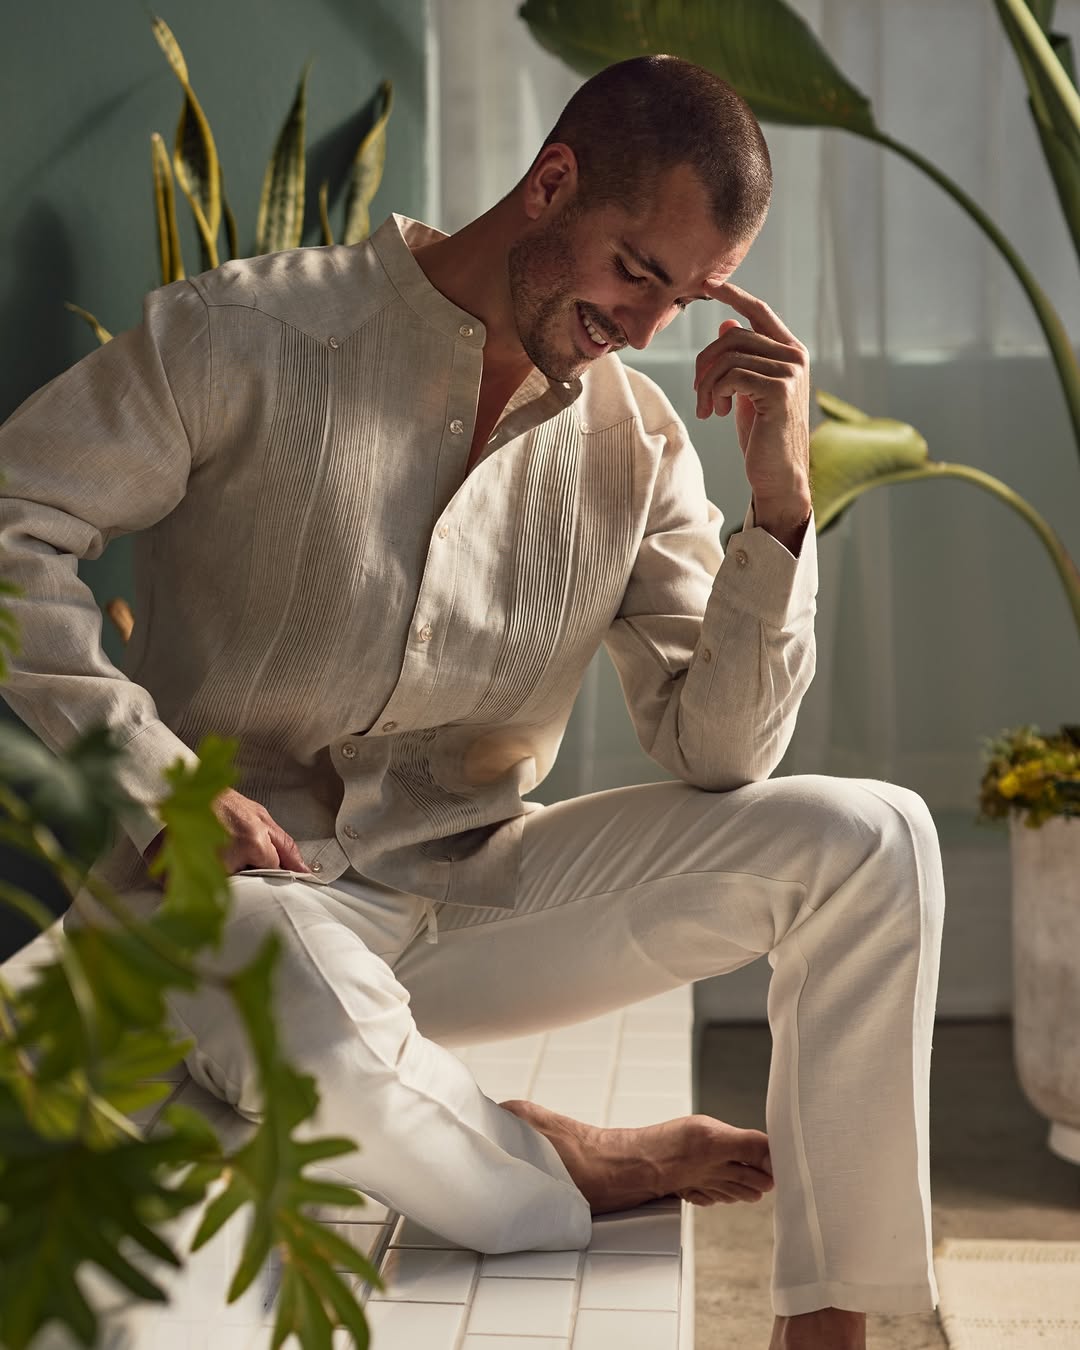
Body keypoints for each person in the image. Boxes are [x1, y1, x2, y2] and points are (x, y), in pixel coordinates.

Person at [0, 53, 944, 1350]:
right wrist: (148, 771)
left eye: (691, 294)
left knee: (874, 835)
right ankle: (551, 1161)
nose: (652, 326)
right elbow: (15, 521)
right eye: (637, 271)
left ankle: (829, 1314)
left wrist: (779, 504)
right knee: (283, 971)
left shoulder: (644, 445)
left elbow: (718, 748)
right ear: (551, 182)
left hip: (477, 892)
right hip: (244, 903)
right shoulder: (245, 333)